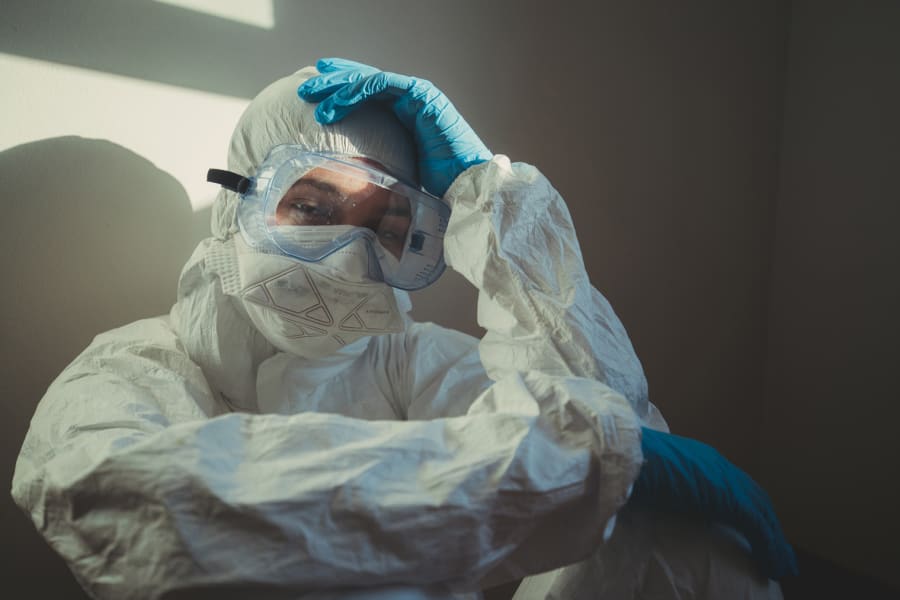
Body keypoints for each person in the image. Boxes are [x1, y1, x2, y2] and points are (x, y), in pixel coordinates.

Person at [11, 58, 796, 600]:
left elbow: (602, 416)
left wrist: (490, 199)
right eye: (312, 208)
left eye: (386, 229)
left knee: (679, 537)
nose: (347, 258)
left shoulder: (395, 358)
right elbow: (169, 516)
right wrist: (567, 463)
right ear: (237, 204)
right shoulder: (127, 374)